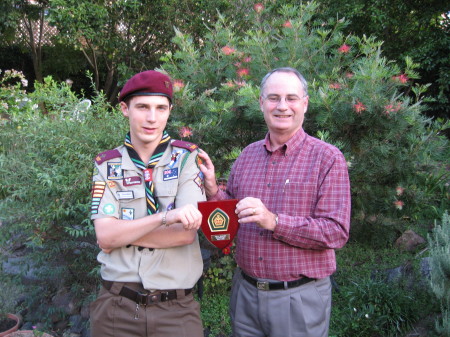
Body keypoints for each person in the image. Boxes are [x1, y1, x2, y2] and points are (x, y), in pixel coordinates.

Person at [198, 67, 351, 337]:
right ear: (261, 103)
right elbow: (230, 217)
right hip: (245, 294)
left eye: (291, 98)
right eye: (273, 98)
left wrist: (274, 221)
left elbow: (335, 231)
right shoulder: (247, 156)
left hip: (298, 298)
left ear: (305, 103)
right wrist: (212, 190)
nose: (282, 106)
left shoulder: (327, 158)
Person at [89, 70, 206, 337]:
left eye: (160, 108)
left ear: (169, 111)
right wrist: (164, 218)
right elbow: (105, 236)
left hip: (175, 310)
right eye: (142, 107)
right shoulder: (107, 165)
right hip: (116, 308)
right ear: (124, 109)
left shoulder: (187, 159)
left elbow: (185, 234)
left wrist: (123, 233)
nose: (152, 118)